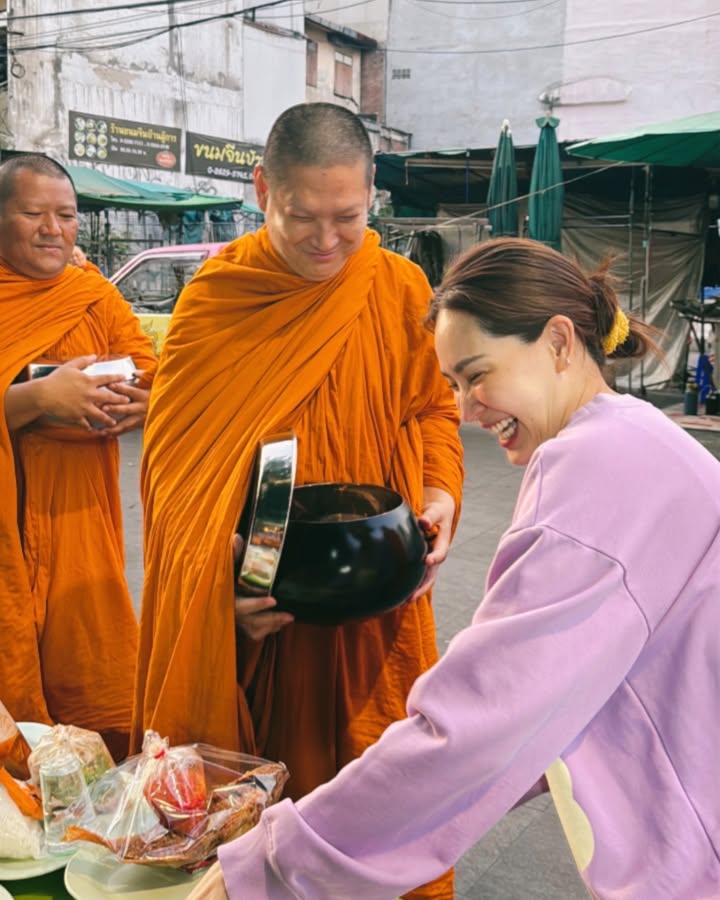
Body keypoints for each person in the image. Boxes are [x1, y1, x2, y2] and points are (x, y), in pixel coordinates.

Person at [186, 237, 720, 900]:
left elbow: (483, 722)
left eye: (477, 374)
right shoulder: (634, 434)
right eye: (455, 385)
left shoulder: (594, 465)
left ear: (558, 342)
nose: (466, 409)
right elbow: (526, 719)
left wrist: (275, 864)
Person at [132, 103, 464, 899]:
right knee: (262, 824)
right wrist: (221, 596)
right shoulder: (219, 298)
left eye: (347, 218)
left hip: (380, 604)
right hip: (267, 619)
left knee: (382, 804)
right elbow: (175, 477)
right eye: (301, 217)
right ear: (260, 190)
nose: (325, 240)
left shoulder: (397, 286)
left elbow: (431, 408)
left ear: (372, 194)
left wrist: (440, 489)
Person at [0, 154, 157, 760]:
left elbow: (147, 367)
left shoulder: (91, 294)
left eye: (65, 215)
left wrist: (138, 401)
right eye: (33, 213)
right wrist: (38, 397)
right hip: (7, 529)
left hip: (81, 529)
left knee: (95, 681)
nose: (52, 228)